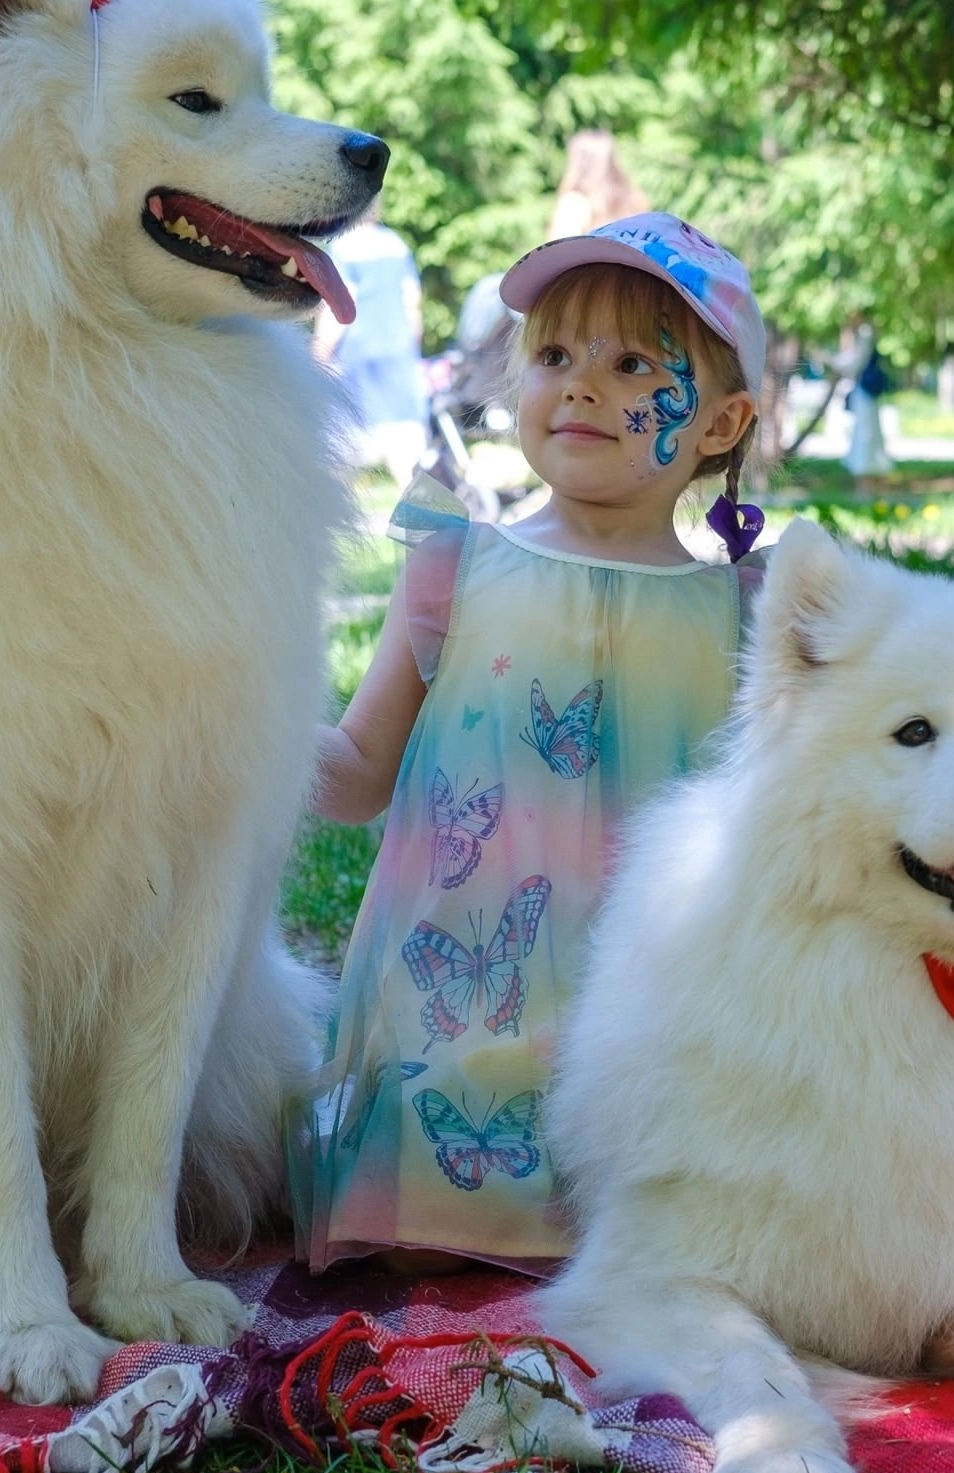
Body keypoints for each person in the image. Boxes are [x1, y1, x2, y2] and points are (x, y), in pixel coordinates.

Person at [293, 213, 769, 1274]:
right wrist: (250, 726)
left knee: (666, 1243)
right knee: (425, 1251)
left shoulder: (745, 614)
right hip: (457, 1026)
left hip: (654, 1032)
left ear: (722, 421)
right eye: (553, 355)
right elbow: (360, 774)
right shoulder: (455, 568)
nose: (581, 385)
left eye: (633, 364)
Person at [317, 209, 431, 474]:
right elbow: (412, 301)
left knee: (345, 453)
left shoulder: (344, 247)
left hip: (356, 357)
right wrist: (412, 347)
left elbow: (338, 306)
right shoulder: (396, 244)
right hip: (399, 352)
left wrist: (319, 354)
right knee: (407, 450)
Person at [839, 318, 896, 492]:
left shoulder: (865, 332)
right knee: (865, 435)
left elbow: (854, 364)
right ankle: (867, 483)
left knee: (865, 436)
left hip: (865, 394)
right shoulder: (861, 333)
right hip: (864, 394)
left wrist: (830, 360)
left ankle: (866, 484)